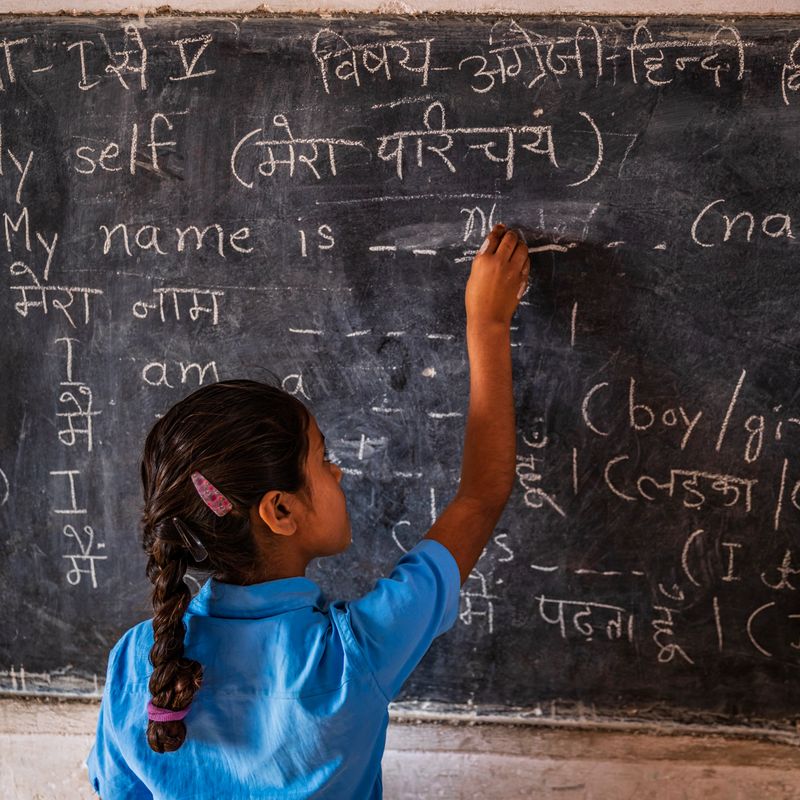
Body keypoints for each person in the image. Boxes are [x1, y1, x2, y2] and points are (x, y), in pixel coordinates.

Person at [86, 223, 530, 799]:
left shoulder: (134, 664)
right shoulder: (352, 657)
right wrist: (488, 323)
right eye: (324, 459)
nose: (339, 472)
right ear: (279, 510)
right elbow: (480, 495)